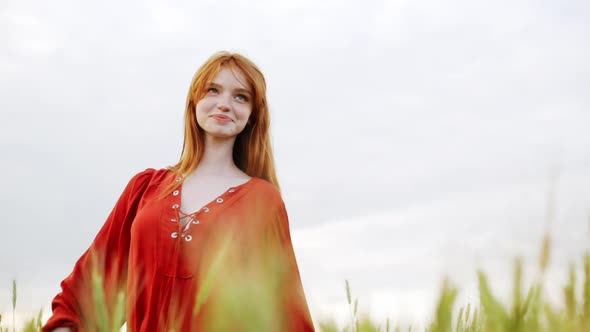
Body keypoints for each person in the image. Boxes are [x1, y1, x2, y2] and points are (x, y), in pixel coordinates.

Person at [43, 51, 315, 332]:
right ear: (195, 100)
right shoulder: (145, 187)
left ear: (252, 115)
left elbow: (284, 307)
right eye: (213, 90)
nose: (224, 104)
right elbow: (93, 284)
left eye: (240, 97)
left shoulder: (262, 200)